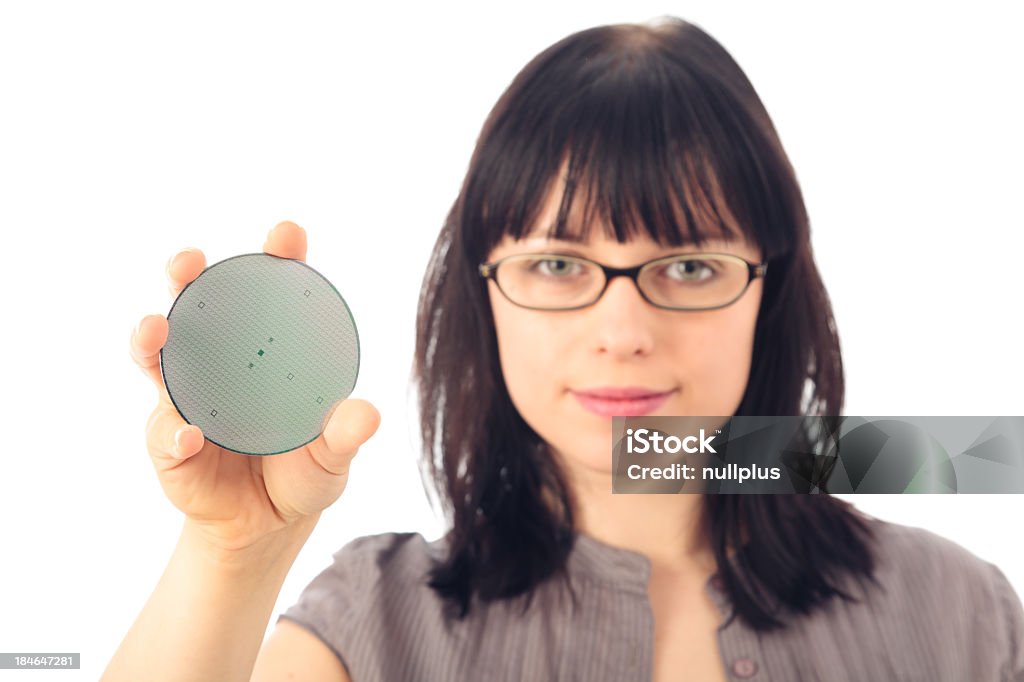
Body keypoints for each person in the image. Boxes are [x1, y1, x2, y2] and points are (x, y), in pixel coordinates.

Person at [103, 17, 1024, 682]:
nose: (623, 333)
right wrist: (233, 559)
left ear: (769, 288)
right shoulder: (376, 631)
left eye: (691, 266)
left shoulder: (960, 614)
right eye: (556, 262)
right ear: (483, 291)